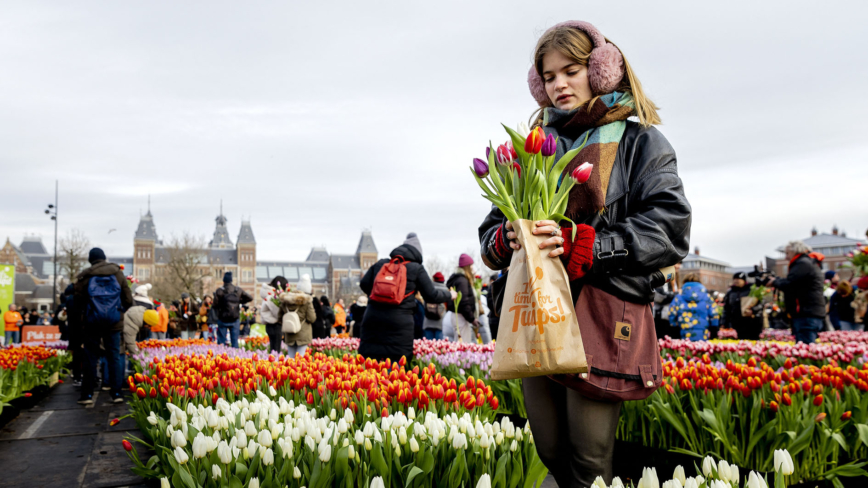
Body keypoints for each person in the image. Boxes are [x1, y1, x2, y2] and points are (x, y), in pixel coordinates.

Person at [477, 21, 690, 486]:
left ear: (600, 69)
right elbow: (490, 231)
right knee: (551, 451)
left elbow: (670, 227)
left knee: (590, 462)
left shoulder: (641, 143)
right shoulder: (535, 152)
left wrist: (589, 246)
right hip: (537, 313)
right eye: (548, 76)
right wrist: (505, 240)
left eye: (570, 71)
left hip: (601, 309)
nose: (558, 85)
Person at [358, 232, 454, 362]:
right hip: (398, 326)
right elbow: (432, 295)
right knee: (394, 373)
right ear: (418, 253)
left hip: (372, 321)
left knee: (371, 371)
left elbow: (364, 284)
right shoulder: (416, 269)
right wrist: (450, 294)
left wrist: (381, 296)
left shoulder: (381, 264)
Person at [73, 248, 133, 405]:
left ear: (90, 260)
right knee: (114, 357)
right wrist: (118, 312)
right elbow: (128, 299)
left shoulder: (85, 276)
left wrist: (85, 317)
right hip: (113, 322)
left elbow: (77, 302)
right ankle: (117, 393)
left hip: (92, 323)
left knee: (90, 358)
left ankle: (87, 395)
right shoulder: (117, 273)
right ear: (104, 258)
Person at [767, 241, 825, 344]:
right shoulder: (808, 262)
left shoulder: (802, 263)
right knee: (807, 344)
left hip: (805, 311)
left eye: (787, 253)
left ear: (795, 251)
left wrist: (774, 282)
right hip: (808, 311)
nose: (786, 257)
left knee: (805, 347)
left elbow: (791, 284)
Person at [668, 274, 719, 341]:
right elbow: (714, 314)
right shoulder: (707, 297)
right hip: (703, 334)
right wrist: (714, 331)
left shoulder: (678, 297)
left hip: (683, 333)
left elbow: (672, 314)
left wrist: (674, 328)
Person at [280, 273, 317, 358]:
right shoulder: (307, 301)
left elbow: (280, 316)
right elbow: (312, 318)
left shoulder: (286, 300)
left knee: (291, 360)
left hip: (289, 333)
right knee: (300, 361)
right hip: (303, 334)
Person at [447, 254, 481, 344]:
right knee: (463, 346)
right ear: (467, 268)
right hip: (461, 317)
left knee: (459, 343)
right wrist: (472, 319)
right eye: (471, 267)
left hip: (459, 316)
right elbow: (464, 302)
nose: (473, 270)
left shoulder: (458, 279)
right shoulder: (462, 281)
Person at [213, 272, 252, 348]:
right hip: (235, 319)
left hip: (222, 319)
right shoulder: (238, 290)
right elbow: (250, 297)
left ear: (223, 280)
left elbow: (215, 305)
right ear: (231, 280)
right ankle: (235, 358)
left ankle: (221, 357)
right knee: (234, 342)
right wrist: (239, 301)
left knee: (221, 341)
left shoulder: (220, 291)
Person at [721, 272, 763, 340]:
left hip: (752, 322)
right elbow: (727, 308)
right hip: (737, 322)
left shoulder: (752, 289)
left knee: (753, 341)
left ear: (744, 280)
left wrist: (753, 310)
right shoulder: (731, 292)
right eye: (735, 279)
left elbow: (761, 304)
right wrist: (724, 322)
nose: (736, 281)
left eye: (738, 279)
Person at [260, 277, 285, 355]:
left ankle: (272, 364)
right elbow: (277, 313)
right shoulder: (272, 296)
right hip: (276, 325)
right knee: (276, 350)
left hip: (269, 324)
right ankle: (274, 365)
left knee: (273, 348)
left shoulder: (268, 295)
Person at [422, 272, 449, 340]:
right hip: (441, 323)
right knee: (439, 348)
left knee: (427, 347)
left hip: (428, 322)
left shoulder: (428, 290)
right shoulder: (446, 291)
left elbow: (424, 304)